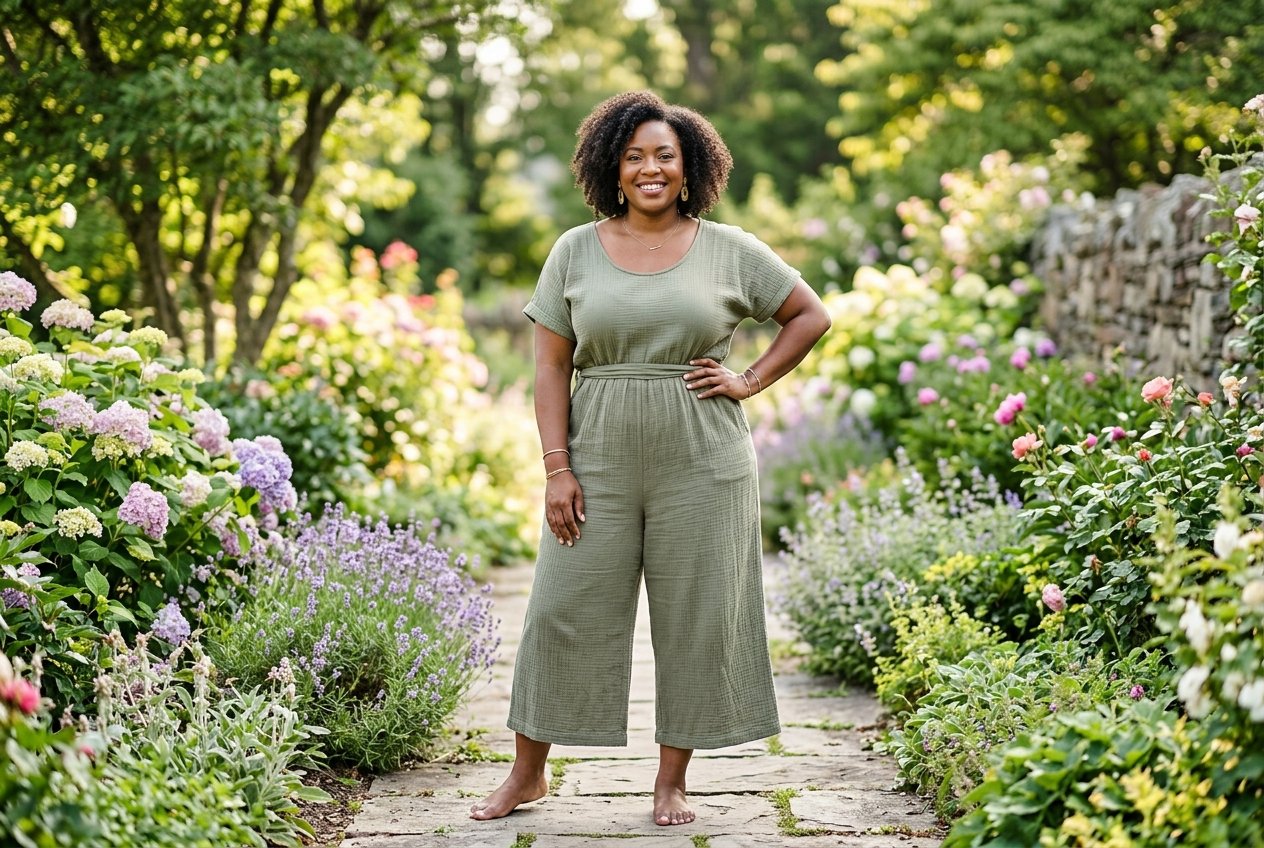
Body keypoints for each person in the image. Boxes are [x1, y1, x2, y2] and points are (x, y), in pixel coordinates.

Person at [470, 90, 831, 827]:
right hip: (596, 454)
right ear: (613, 167)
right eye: (634, 156)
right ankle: (527, 775)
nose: (650, 169)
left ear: (690, 166)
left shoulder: (730, 248)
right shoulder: (574, 250)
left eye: (665, 155)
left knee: (695, 615)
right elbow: (549, 367)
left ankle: (671, 783)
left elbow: (810, 314)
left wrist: (749, 379)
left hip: (704, 458)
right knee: (561, 609)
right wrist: (556, 467)